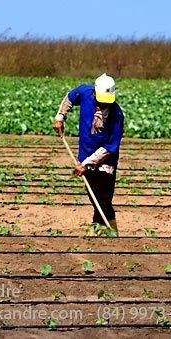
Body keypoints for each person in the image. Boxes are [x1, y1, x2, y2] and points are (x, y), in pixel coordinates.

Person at [52, 73, 124, 234]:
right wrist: (60, 117)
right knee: (94, 196)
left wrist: (86, 164)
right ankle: (105, 231)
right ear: (94, 93)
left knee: (103, 197)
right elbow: (70, 97)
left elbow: (110, 147)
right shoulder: (85, 92)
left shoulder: (116, 115)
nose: (103, 105)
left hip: (106, 160)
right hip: (85, 154)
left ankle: (103, 231)